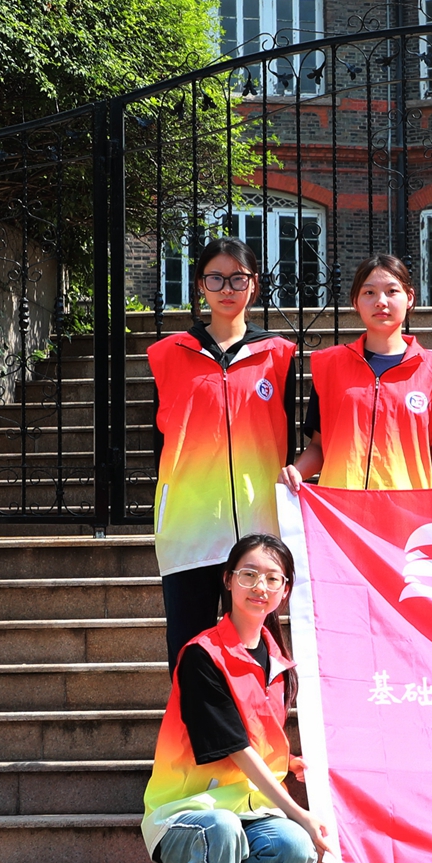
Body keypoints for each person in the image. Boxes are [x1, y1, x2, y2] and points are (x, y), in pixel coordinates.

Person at [141, 534, 332, 863]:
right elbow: (231, 745)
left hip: (249, 812)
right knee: (221, 828)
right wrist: (298, 811)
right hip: (185, 813)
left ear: (285, 590)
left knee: (295, 848)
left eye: (272, 578)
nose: (259, 587)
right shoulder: (201, 655)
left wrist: (289, 762)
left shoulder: (278, 661)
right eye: (248, 574)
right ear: (227, 581)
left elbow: (255, 736)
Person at [148, 238, 297, 664]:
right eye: (216, 278)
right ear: (200, 284)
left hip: (257, 525)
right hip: (189, 525)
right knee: (189, 648)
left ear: (254, 284)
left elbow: (287, 438)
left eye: (238, 278)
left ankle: (255, 712)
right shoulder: (169, 354)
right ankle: (194, 712)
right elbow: (160, 440)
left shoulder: (278, 355)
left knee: (255, 647)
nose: (227, 288)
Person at [282, 254, 432, 490]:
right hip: (343, 506)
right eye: (369, 292)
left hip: (408, 509)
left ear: (409, 298)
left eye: (391, 291)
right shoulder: (330, 366)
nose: (381, 301)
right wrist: (296, 472)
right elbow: (319, 446)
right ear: (355, 302)